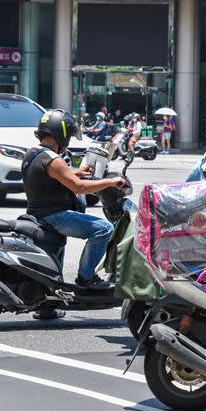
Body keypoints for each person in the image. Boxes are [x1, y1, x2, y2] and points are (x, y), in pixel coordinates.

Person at [22, 110, 127, 308]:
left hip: (37, 214)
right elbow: (79, 187)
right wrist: (111, 182)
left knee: (57, 258)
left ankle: (47, 308)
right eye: (68, 136)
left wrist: (76, 172)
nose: (68, 140)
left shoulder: (34, 154)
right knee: (103, 229)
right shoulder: (54, 160)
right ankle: (86, 278)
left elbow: (53, 177)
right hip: (53, 216)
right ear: (59, 134)